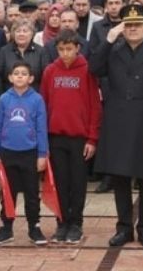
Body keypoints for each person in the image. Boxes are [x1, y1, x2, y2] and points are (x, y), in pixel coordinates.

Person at [90, 3, 143, 248]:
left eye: (138, 25)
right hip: (118, 122)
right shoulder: (113, 50)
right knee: (120, 178)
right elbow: (94, 68)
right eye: (129, 25)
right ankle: (124, 228)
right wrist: (109, 39)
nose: (133, 29)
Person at [40, 32, 102, 244]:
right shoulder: (50, 71)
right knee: (60, 182)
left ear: (77, 48)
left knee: (77, 183)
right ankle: (61, 222)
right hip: (55, 137)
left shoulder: (87, 71)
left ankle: (76, 222)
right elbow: (43, 105)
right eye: (61, 49)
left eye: (69, 49)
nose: (65, 54)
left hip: (79, 138)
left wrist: (92, 138)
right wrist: (43, 139)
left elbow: (95, 106)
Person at [0, 61, 50, 247]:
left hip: (30, 154)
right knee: (8, 192)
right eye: (16, 73)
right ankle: (6, 227)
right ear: (10, 77)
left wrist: (42, 154)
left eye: (24, 73)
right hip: (7, 153)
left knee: (32, 193)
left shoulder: (37, 100)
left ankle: (34, 227)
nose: (20, 76)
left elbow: (41, 129)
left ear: (31, 78)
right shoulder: (4, 99)